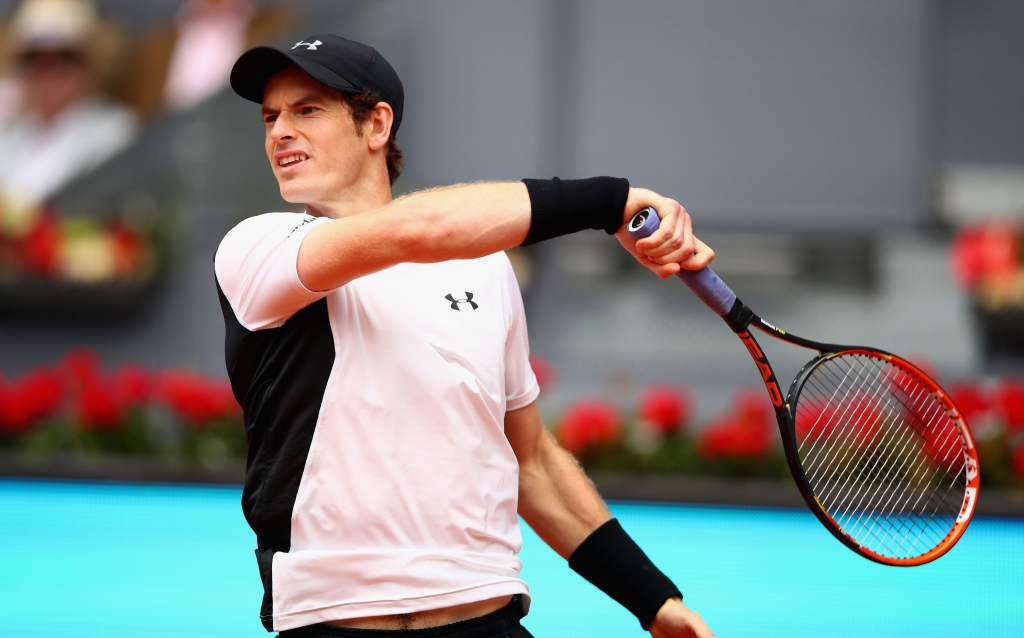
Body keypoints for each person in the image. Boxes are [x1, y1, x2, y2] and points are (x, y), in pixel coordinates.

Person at [215, 34, 717, 638]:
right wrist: (608, 203)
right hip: (330, 623)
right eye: (271, 117)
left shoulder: (485, 269)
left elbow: (530, 459)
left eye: (308, 109)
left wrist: (653, 599)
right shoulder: (256, 248)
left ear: (376, 125)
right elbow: (417, 228)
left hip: (487, 618)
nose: (280, 132)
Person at [0, 0, 137, 218]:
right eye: (35, 63)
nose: (47, 77)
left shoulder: (114, 132)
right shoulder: (10, 133)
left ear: (87, 67)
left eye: (61, 61)